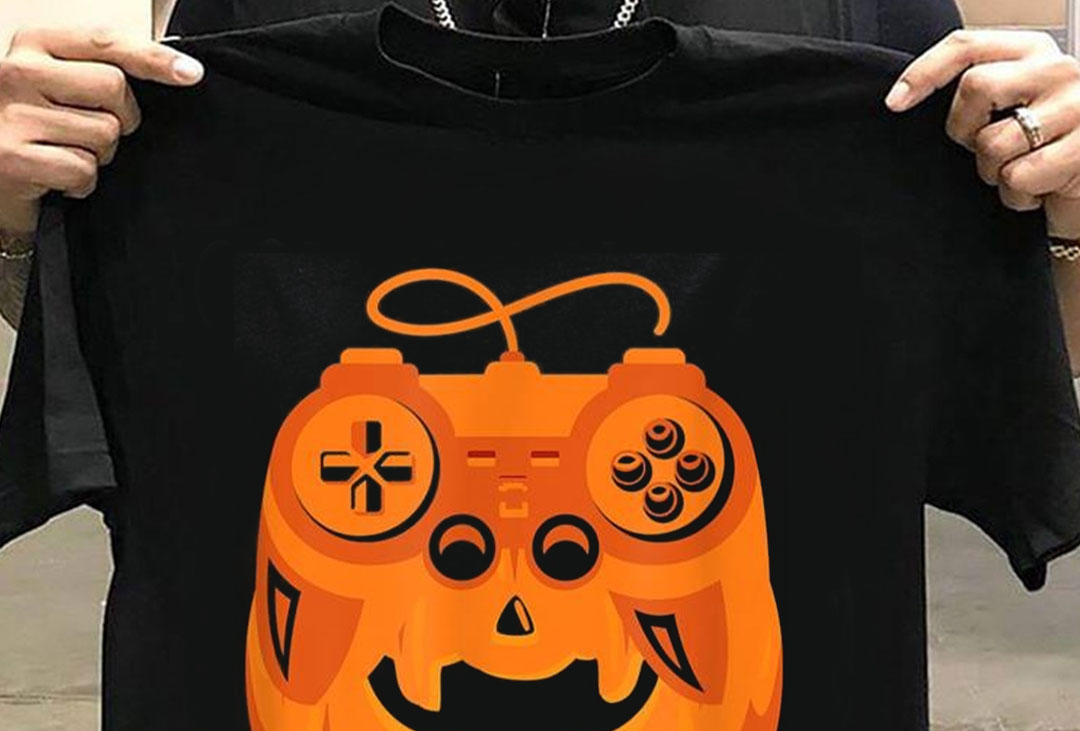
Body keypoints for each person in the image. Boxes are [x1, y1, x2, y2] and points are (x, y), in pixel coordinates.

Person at [1, 0, 1080, 377]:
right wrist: (18, 216)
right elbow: (146, 335)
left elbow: (997, 354)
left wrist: (1068, 220)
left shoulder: (859, 16)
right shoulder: (248, 15)